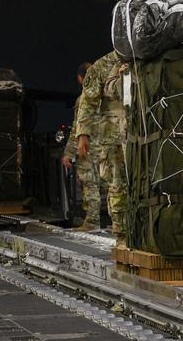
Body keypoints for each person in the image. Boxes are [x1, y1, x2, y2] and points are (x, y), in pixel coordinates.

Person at [75, 51, 128, 247]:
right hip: (113, 136)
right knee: (117, 184)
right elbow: (88, 102)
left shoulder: (145, 57)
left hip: (142, 132)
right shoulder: (103, 65)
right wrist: (83, 135)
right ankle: (122, 235)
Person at [62, 62, 110, 231]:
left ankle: (92, 221)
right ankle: (118, 222)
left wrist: (68, 153)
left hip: (88, 148)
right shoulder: (107, 95)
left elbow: (78, 128)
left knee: (90, 184)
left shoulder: (84, 98)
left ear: (80, 78)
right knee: (111, 184)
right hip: (107, 147)